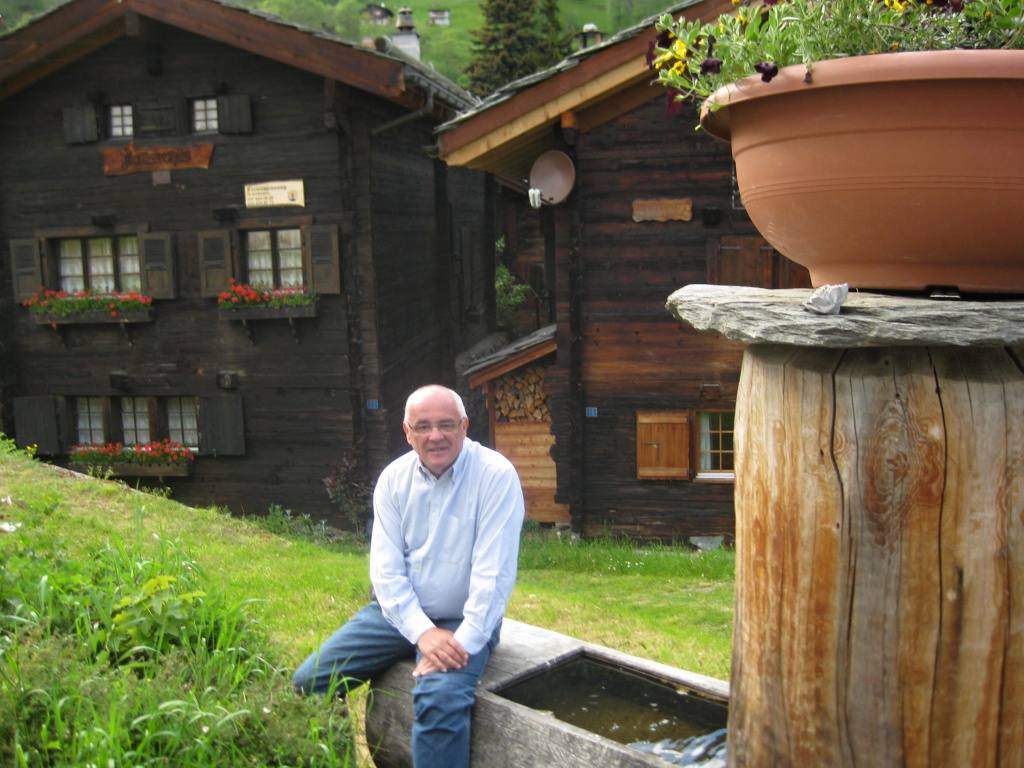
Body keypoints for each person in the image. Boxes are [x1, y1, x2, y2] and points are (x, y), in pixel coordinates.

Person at [293, 384, 525, 768]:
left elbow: (494, 577)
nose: (436, 436)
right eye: (423, 426)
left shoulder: (495, 476)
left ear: (465, 426)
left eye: (446, 425)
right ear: (407, 432)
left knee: (439, 699)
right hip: (396, 615)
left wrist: (460, 642)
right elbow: (386, 572)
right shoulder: (393, 480)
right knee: (311, 681)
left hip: (464, 618)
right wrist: (422, 632)